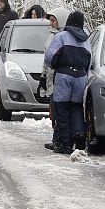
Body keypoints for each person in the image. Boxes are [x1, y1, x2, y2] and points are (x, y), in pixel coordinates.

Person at [44, 11, 91, 154]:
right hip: (81, 77)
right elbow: (89, 61)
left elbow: (50, 57)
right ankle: (79, 133)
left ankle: (65, 144)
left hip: (64, 76)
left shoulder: (61, 37)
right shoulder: (86, 40)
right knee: (76, 108)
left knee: (62, 109)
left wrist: (57, 66)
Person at [39, 8, 70, 150]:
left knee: (60, 112)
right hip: (52, 80)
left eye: (53, 20)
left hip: (61, 80)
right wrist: (43, 77)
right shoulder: (51, 37)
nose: (50, 23)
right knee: (54, 112)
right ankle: (56, 138)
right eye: (50, 20)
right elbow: (46, 59)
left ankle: (61, 140)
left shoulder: (65, 37)